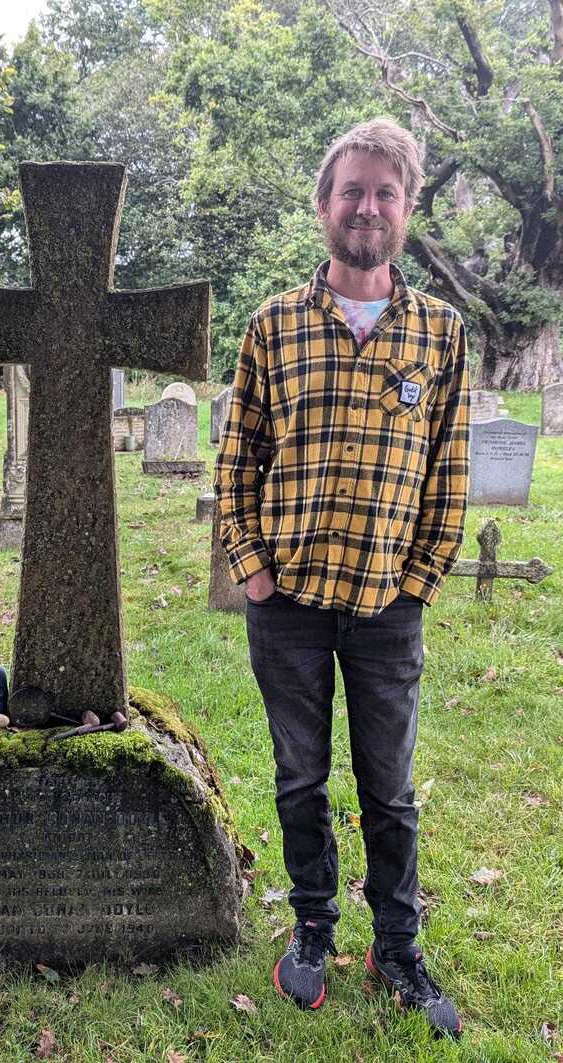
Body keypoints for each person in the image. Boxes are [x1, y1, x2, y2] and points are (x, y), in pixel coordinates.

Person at [214, 117, 470, 1038]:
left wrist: (422, 580)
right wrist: (251, 569)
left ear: (407, 210)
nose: (367, 207)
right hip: (286, 603)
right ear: (325, 206)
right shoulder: (274, 325)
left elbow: (449, 469)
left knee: (389, 787)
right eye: (351, 190)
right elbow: (236, 459)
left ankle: (397, 943)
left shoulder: (440, 333)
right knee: (299, 776)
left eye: (385, 193)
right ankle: (314, 924)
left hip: (385, 607)